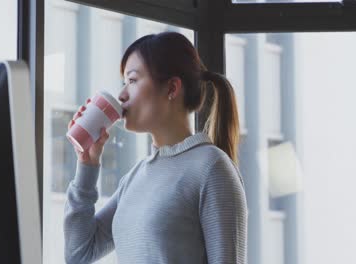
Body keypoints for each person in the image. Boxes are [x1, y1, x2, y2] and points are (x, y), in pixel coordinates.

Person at [64, 31, 248, 264]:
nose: (121, 95)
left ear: (172, 88)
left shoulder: (212, 167)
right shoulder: (135, 178)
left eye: (132, 80)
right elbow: (78, 255)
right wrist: (86, 165)